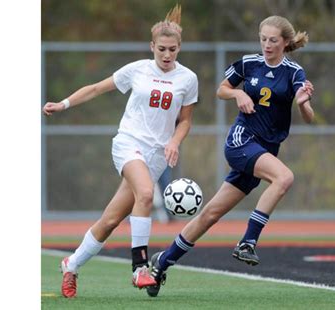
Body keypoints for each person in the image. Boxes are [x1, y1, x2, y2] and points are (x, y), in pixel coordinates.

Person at [146, 15, 315, 297]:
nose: (267, 45)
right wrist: (237, 95)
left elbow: (308, 116)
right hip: (241, 141)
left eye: (273, 40)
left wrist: (302, 103)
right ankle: (248, 241)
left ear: (285, 42)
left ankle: (162, 262)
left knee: (210, 214)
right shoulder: (249, 63)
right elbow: (222, 89)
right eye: (263, 39)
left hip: (264, 151)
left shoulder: (294, 72)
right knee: (284, 177)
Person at [42, 4, 198, 298]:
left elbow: (186, 120)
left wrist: (175, 141)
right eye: (162, 48)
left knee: (111, 220)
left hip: (155, 156)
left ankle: (71, 264)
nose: (167, 55)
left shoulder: (187, 79)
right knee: (147, 194)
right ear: (152, 46)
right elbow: (96, 89)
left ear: (179, 48)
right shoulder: (137, 69)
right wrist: (62, 104)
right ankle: (139, 268)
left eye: (173, 50)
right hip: (128, 143)